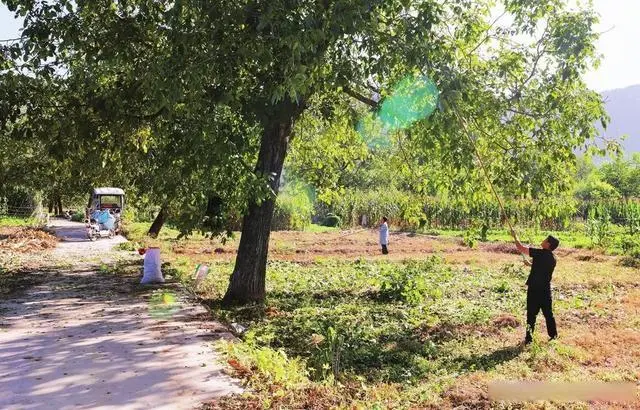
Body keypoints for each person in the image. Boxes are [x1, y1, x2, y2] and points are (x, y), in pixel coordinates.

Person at [512, 230, 559, 345]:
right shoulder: (553, 258)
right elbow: (542, 267)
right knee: (548, 313)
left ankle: (529, 339)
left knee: (531, 314)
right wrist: (530, 264)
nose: (542, 240)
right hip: (545, 290)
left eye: (545, 239)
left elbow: (521, 247)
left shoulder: (539, 253)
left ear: (548, 244)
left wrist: (515, 236)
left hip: (534, 289)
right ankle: (553, 335)